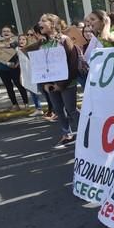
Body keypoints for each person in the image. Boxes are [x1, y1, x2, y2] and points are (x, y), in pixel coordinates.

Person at [30, 14, 81, 147]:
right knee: (58, 109)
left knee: (71, 109)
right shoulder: (42, 44)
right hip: (50, 85)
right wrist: (45, 84)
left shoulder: (64, 40)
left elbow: (72, 64)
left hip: (67, 83)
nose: (39, 22)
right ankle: (67, 133)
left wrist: (61, 85)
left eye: (43, 20)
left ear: (52, 24)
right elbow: (40, 65)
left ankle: (86, 132)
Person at [0, 26, 29, 111]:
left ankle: (26, 103)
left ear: (11, 33)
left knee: (19, 85)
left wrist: (17, 64)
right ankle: (15, 105)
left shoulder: (16, 43)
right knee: (8, 87)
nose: (6, 32)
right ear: (1, 34)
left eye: (8, 31)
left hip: (15, 68)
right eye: (4, 31)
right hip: (2, 69)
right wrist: (6, 63)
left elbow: (20, 55)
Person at [16, 34, 44, 117]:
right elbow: (21, 62)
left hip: (34, 72)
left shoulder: (30, 49)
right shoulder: (17, 49)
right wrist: (21, 75)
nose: (21, 41)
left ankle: (52, 108)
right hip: (26, 73)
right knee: (32, 91)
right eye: (20, 39)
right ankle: (38, 108)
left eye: (23, 39)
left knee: (42, 91)